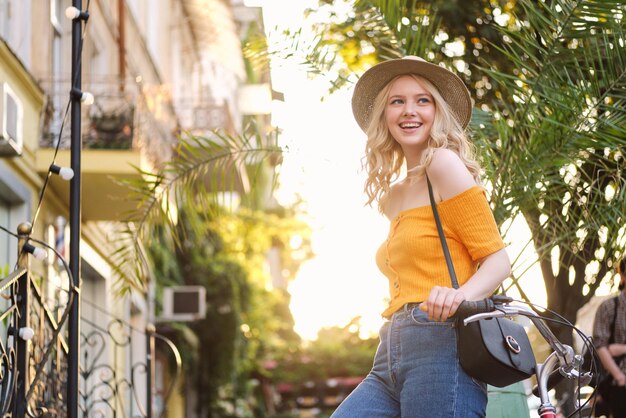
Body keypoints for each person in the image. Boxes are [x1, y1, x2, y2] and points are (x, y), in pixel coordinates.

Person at [330, 56, 511, 418]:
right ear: (384, 114)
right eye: (397, 101)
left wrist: (459, 296)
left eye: (422, 100)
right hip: (390, 351)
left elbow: (498, 261)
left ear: (437, 111)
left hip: (441, 343)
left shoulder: (443, 164)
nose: (409, 111)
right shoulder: (392, 196)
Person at [592, 257, 626, 418]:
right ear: (623, 276)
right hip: (619, 385)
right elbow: (600, 346)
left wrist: (621, 349)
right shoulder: (609, 307)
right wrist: (620, 378)